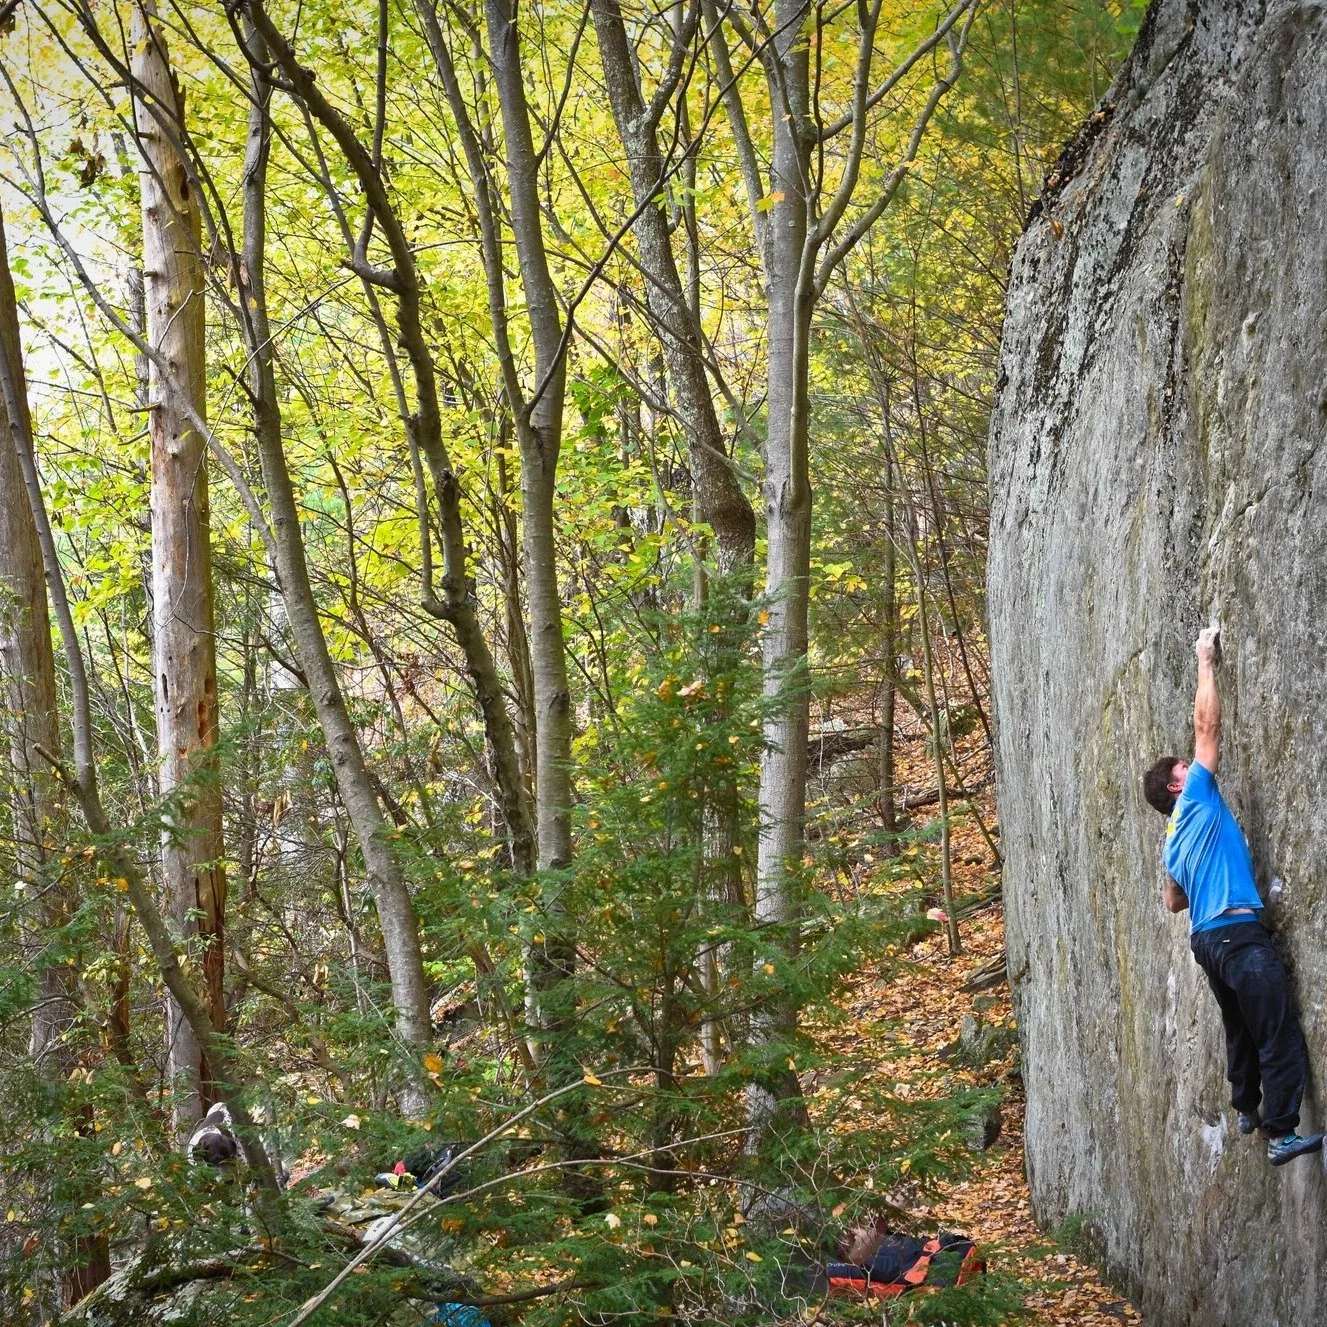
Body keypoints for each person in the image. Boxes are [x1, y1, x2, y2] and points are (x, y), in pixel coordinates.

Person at [1142, 626, 1323, 1166]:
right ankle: (1281, 1133)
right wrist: (1204, 660)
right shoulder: (1197, 795)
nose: (1192, 767)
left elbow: (1174, 902)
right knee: (1277, 1029)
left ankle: (1245, 1103)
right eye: (1183, 768)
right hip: (1238, 934)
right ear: (1178, 785)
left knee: (1239, 1023)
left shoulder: (1171, 841)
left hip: (1207, 943)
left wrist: (1205, 873)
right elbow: (1207, 728)